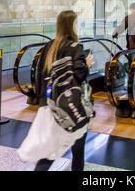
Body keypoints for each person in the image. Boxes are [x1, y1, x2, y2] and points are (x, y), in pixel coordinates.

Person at [34, 10, 95, 171]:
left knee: (48, 153)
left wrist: (43, 106)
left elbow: (40, 78)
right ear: (72, 26)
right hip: (72, 108)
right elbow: (78, 76)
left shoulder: (49, 47)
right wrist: (87, 65)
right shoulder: (76, 47)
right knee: (78, 152)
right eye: (77, 23)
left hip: (50, 106)